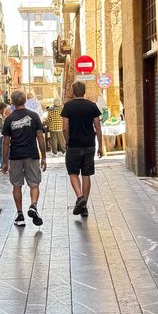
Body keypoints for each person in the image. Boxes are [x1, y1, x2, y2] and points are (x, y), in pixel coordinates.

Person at [2, 90, 47, 227]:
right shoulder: (34, 116)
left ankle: (20, 215)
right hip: (32, 155)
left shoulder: (9, 119)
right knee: (34, 183)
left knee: (17, 185)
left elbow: (5, 142)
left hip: (15, 156)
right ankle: (33, 205)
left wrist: (4, 162)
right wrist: (43, 156)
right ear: (24, 101)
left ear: (13, 102)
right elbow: (40, 137)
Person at [61, 81, 104, 217]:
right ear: (84, 91)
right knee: (86, 174)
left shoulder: (68, 106)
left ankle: (80, 197)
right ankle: (84, 205)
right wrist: (100, 146)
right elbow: (98, 127)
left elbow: (64, 127)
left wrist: (68, 141)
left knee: (73, 173)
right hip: (89, 145)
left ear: (73, 92)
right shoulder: (92, 106)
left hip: (74, 145)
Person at [0, 101, 10, 171]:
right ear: (2, 108)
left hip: (0, 135)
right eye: (5, 108)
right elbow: (3, 127)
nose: (5, 110)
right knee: (1, 151)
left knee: (0, 151)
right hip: (1, 136)